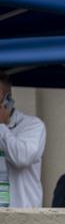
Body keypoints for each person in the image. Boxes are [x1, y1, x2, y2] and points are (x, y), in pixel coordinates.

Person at [0, 71, 46, 208]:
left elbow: (21, 158)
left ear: (7, 101)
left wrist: (2, 125)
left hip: (21, 218)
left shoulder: (32, 125)